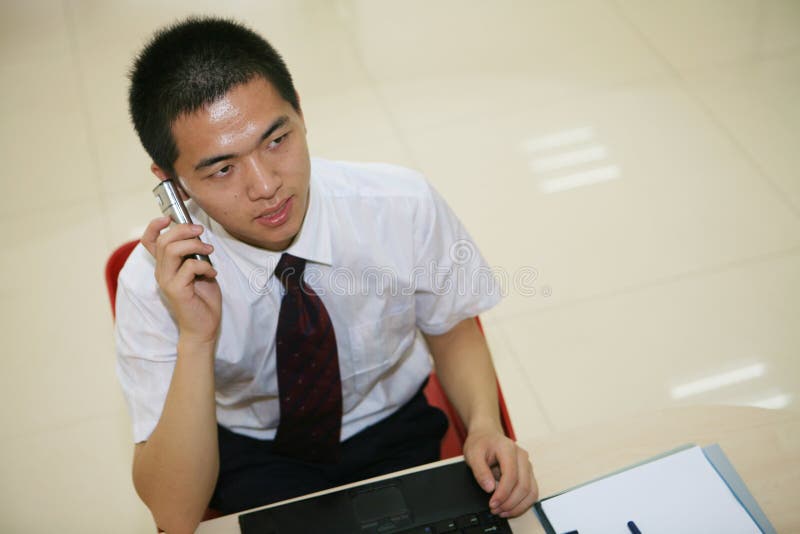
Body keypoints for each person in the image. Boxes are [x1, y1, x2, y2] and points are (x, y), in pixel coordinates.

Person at [117, 16, 538, 533]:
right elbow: (175, 514)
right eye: (222, 169)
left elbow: (451, 328)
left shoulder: (400, 206)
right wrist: (195, 338)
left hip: (394, 425)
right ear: (171, 182)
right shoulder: (154, 285)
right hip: (253, 452)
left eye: (276, 140)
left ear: (300, 112)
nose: (267, 186)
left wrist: (483, 425)